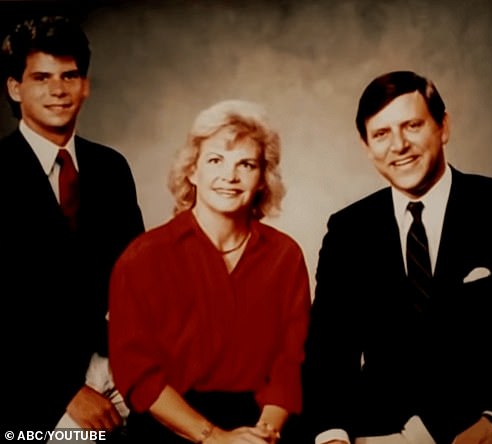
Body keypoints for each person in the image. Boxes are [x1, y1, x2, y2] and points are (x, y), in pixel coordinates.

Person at [302, 70, 492, 444]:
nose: (399, 145)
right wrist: (332, 434)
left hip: (479, 432)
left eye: (412, 125)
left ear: (443, 127)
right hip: (377, 433)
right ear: (365, 145)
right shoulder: (349, 229)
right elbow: (328, 350)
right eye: (381, 134)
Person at [108, 99, 311, 444]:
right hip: (171, 427)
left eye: (246, 164)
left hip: (264, 424)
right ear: (192, 170)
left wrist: (263, 436)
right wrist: (215, 438)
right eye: (216, 160)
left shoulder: (285, 255)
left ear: (263, 178)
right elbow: (139, 375)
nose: (230, 177)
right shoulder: (142, 258)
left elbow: (289, 363)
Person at [0, 14, 144, 436]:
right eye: (41, 77)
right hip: (26, 397)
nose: (58, 90)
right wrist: (64, 390)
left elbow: (135, 281)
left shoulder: (111, 168)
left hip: (117, 376)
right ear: (15, 87)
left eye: (70, 75)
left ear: (86, 85)